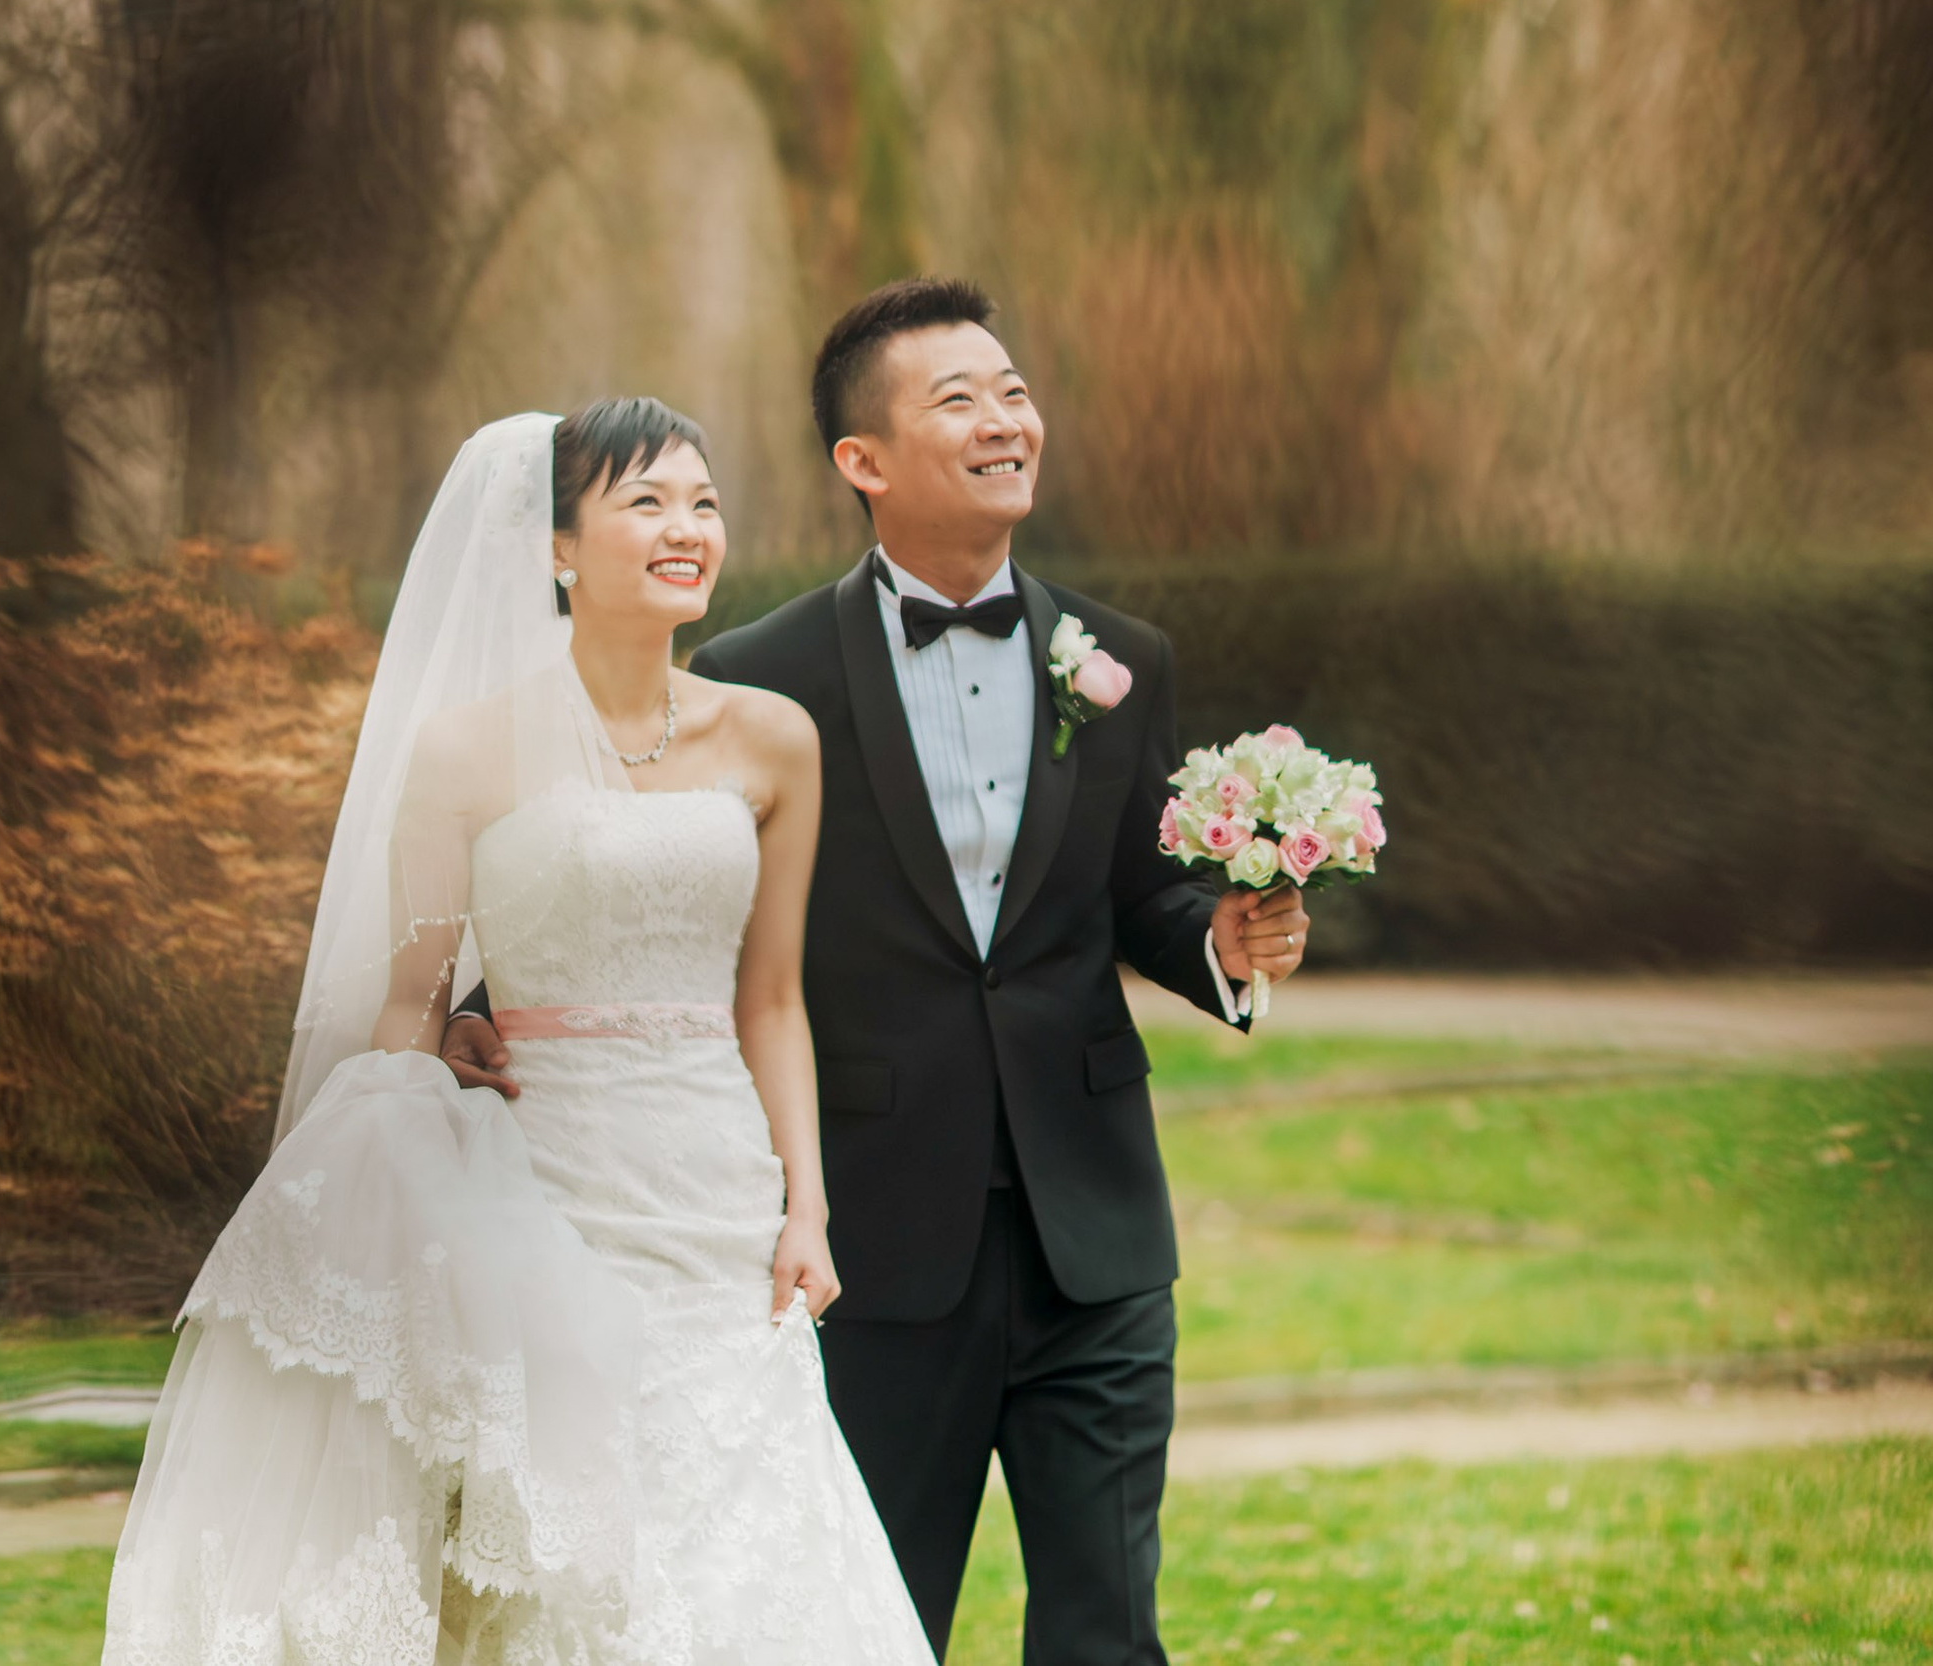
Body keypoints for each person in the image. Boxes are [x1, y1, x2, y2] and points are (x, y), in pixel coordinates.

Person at [445, 281, 1311, 1664]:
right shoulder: (756, 676)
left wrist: (1223, 944)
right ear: (865, 461)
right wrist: (480, 1018)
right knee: (865, 1622)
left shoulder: (1123, 664)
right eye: (959, 399)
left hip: (1095, 1230)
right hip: (876, 1240)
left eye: (1014, 391)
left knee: (1108, 1636)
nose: (1005, 419)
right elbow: (657, 888)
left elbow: (1143, 894)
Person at [102, 400, 935, 1664]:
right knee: (557, 1558)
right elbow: (411, 1004)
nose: (686, 528)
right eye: (645, 501)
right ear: (557, 546)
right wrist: (428, 1063)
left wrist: (806, 1208)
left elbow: (771, 999)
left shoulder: (773, 739)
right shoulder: (463, 752)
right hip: (540, 1191)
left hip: (716, 1195)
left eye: (703, 502)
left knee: (755, 1531)